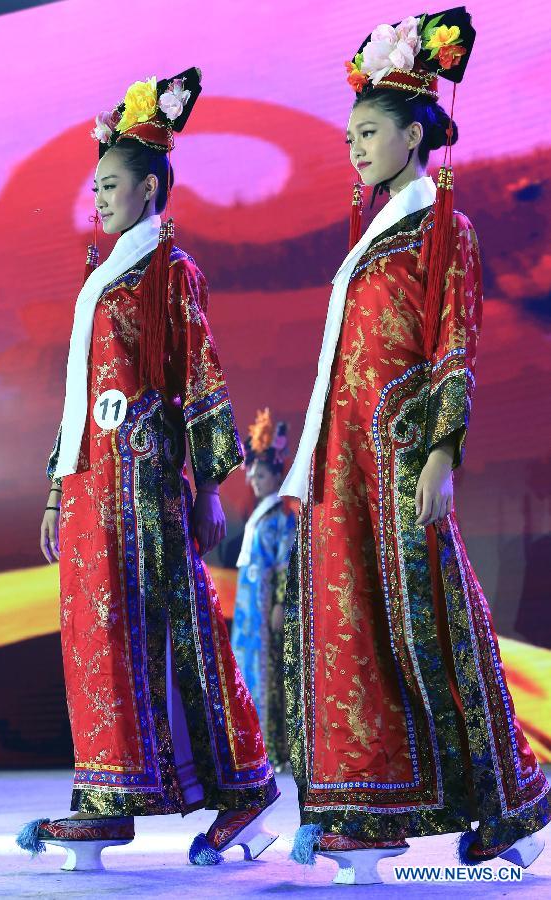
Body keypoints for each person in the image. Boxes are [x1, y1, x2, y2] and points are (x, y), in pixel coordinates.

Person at [280, 9, 550, 886]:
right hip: (347, 462)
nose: (355, 148)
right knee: (353, 627)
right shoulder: (369, 238)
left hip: (402, 457)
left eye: (369, 132)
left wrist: (441, 453)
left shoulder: (444, 229)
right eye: (351, 134)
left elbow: (454, 348)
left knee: (431, 623)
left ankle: (511, 799)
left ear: (414, 134)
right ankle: (376, 806)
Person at [16, 69, 278, 872]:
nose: (98, 197)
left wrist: (207, 486)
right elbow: (76, 396)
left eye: (111, 184)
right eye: (94, 185)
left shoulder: (171, 271)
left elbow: (200, 378)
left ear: (151, 187)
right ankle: (110, 796)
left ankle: (245, 790)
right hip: (95, 489)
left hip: (150, 486)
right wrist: (62, 489)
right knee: (97, 639)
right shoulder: (102, 277)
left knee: (181, 638)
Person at [231, 409, 296, 770]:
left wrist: (280, 603)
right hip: (247, 609)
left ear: (276, 476)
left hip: (265, 606)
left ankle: (274, 748)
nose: (255, 480)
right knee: (248, 671)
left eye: (261, 474)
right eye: (252, 474)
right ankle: (254, 749)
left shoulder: (281, 517)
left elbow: (286, 563)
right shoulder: (259, 516)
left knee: (269, 674)